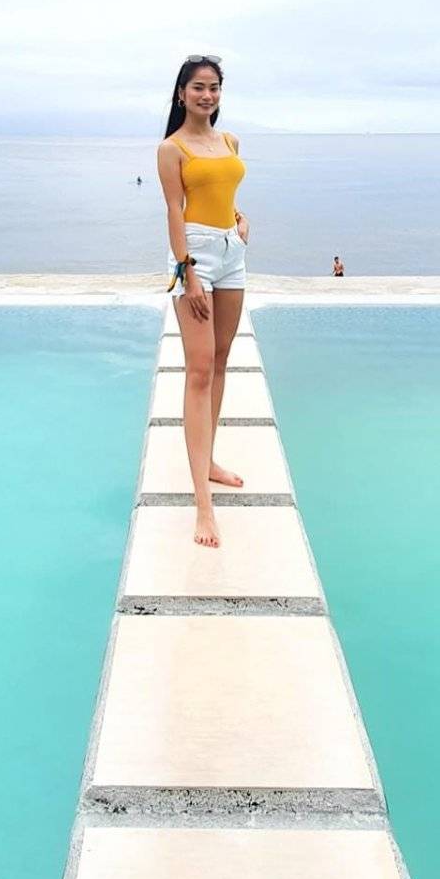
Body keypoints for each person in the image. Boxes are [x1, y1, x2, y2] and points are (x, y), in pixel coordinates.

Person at [156, 54, 249, 548]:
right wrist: (186, 272)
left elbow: (222, 193)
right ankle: (203, 505)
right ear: (181, 93)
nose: (207, 95)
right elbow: (175, 210)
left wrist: (240, 217)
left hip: (232, 252)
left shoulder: (229, 141)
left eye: (213, 87)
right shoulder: (171, 148)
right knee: (198, 370)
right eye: (198, 87)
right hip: (195, 257)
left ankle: (208, 459)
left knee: (221, 357)